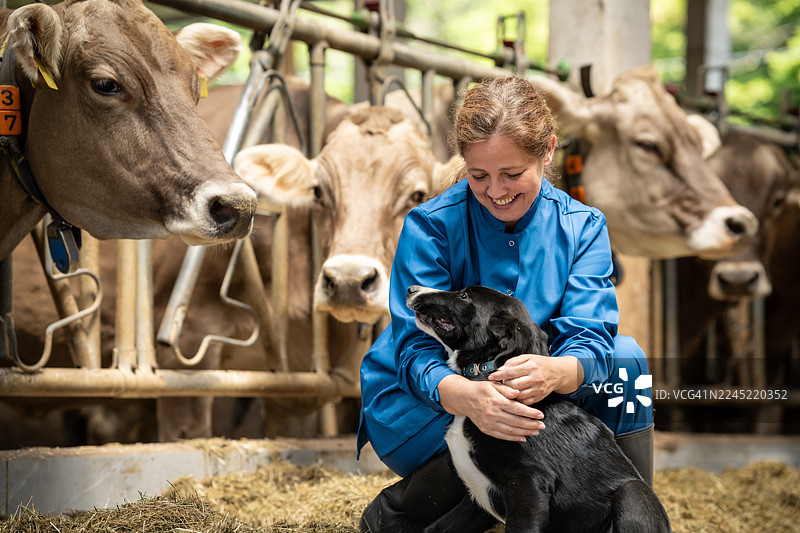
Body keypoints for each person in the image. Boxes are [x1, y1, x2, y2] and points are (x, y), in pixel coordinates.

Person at [356, 75, 654, 532]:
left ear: (548, 150)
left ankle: (630, 519)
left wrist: (561, 370)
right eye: (478, 176)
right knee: (494, 427)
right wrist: (467, 397)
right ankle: (403, 511)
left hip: (531, 394)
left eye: (512, 174)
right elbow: (413, 346)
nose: (496, 191)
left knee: (627, 361)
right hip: (427, 399)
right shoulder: (430, 224)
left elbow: (592, 335)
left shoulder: (584, 225)